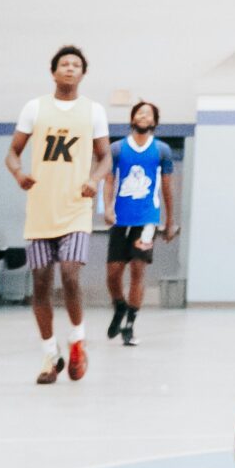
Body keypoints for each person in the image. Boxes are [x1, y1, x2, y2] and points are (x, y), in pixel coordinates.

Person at [6, 44, 111, 385]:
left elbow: (105, 157)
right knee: (40, 283)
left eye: (76, 64)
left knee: (69, 274)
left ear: (83, 73)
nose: (69, 68)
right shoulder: (34, 108)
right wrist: (20, 174)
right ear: (53, 72)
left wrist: (95, 180)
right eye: (63, 64)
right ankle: (50, 356)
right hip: (40, 208)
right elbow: (12, 153)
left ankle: (77, 338)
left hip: (76, 208)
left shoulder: (93, 111)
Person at [103, 103, 176, 344]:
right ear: (132, 117)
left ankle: (130, 325)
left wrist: (170, 221)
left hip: (147, 219)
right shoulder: (117, 148)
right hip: (121, 218)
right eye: (139, 112)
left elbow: (167, 187)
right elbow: (109, 180)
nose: (143, 115)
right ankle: (120, 306)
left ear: (155, 121)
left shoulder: (162, 150)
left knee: (137, 270)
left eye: (149, 113)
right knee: (113, 273)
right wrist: (108, 209)